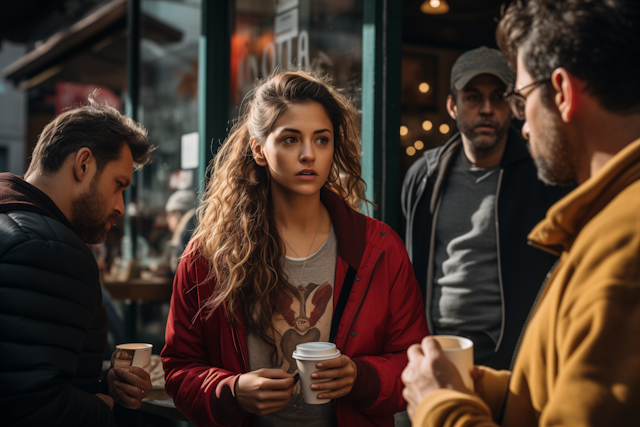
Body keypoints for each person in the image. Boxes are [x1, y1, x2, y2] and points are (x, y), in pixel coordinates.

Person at [401, 0, 640, 425]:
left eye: (520, 96)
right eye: (474, 97)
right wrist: (486, 389)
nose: (521, 123)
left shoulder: (622, 251)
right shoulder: (604, 216)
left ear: (562, 93)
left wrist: (439, 407)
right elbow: (561, 383)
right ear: (454, 105)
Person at [161, 70, 429, 427]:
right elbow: (179, 368)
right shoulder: (208, 255)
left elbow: (414, 361)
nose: (308, 154)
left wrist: (361, 377)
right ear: (258, 149)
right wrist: (232, 390)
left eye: (322, 140)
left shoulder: (379, 249)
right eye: (290, 139)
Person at [401, 46, 568, 369]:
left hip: (516, 360)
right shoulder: (423, 177)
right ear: (453, 105)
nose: (487, 109)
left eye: (499, 97)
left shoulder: (543, 174)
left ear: (514, 105)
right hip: (437, 353)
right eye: (473, 97)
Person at [0, 98, 155, 426]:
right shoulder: (50, 249)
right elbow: (32, 407)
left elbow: (21, 368)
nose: (121, 207)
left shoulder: (12, 221)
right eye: (118, 185)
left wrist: (103, 380)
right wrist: (101, 406)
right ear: (83, 164)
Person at [164, 189, 197, 272]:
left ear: (178, 214)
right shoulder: (191, 223)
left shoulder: (188, 227)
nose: (167, 219)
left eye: (169, 215)